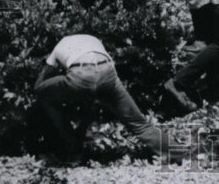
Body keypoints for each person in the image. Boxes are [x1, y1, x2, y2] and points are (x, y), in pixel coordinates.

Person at [33, 33, 168, 162]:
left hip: (81, 74)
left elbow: (41, 82)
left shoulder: (61, 45)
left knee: (44, 95)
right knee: (140, 124)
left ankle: (71, 146)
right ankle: (183, 155)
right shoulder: (94, 40)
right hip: (107, 72)